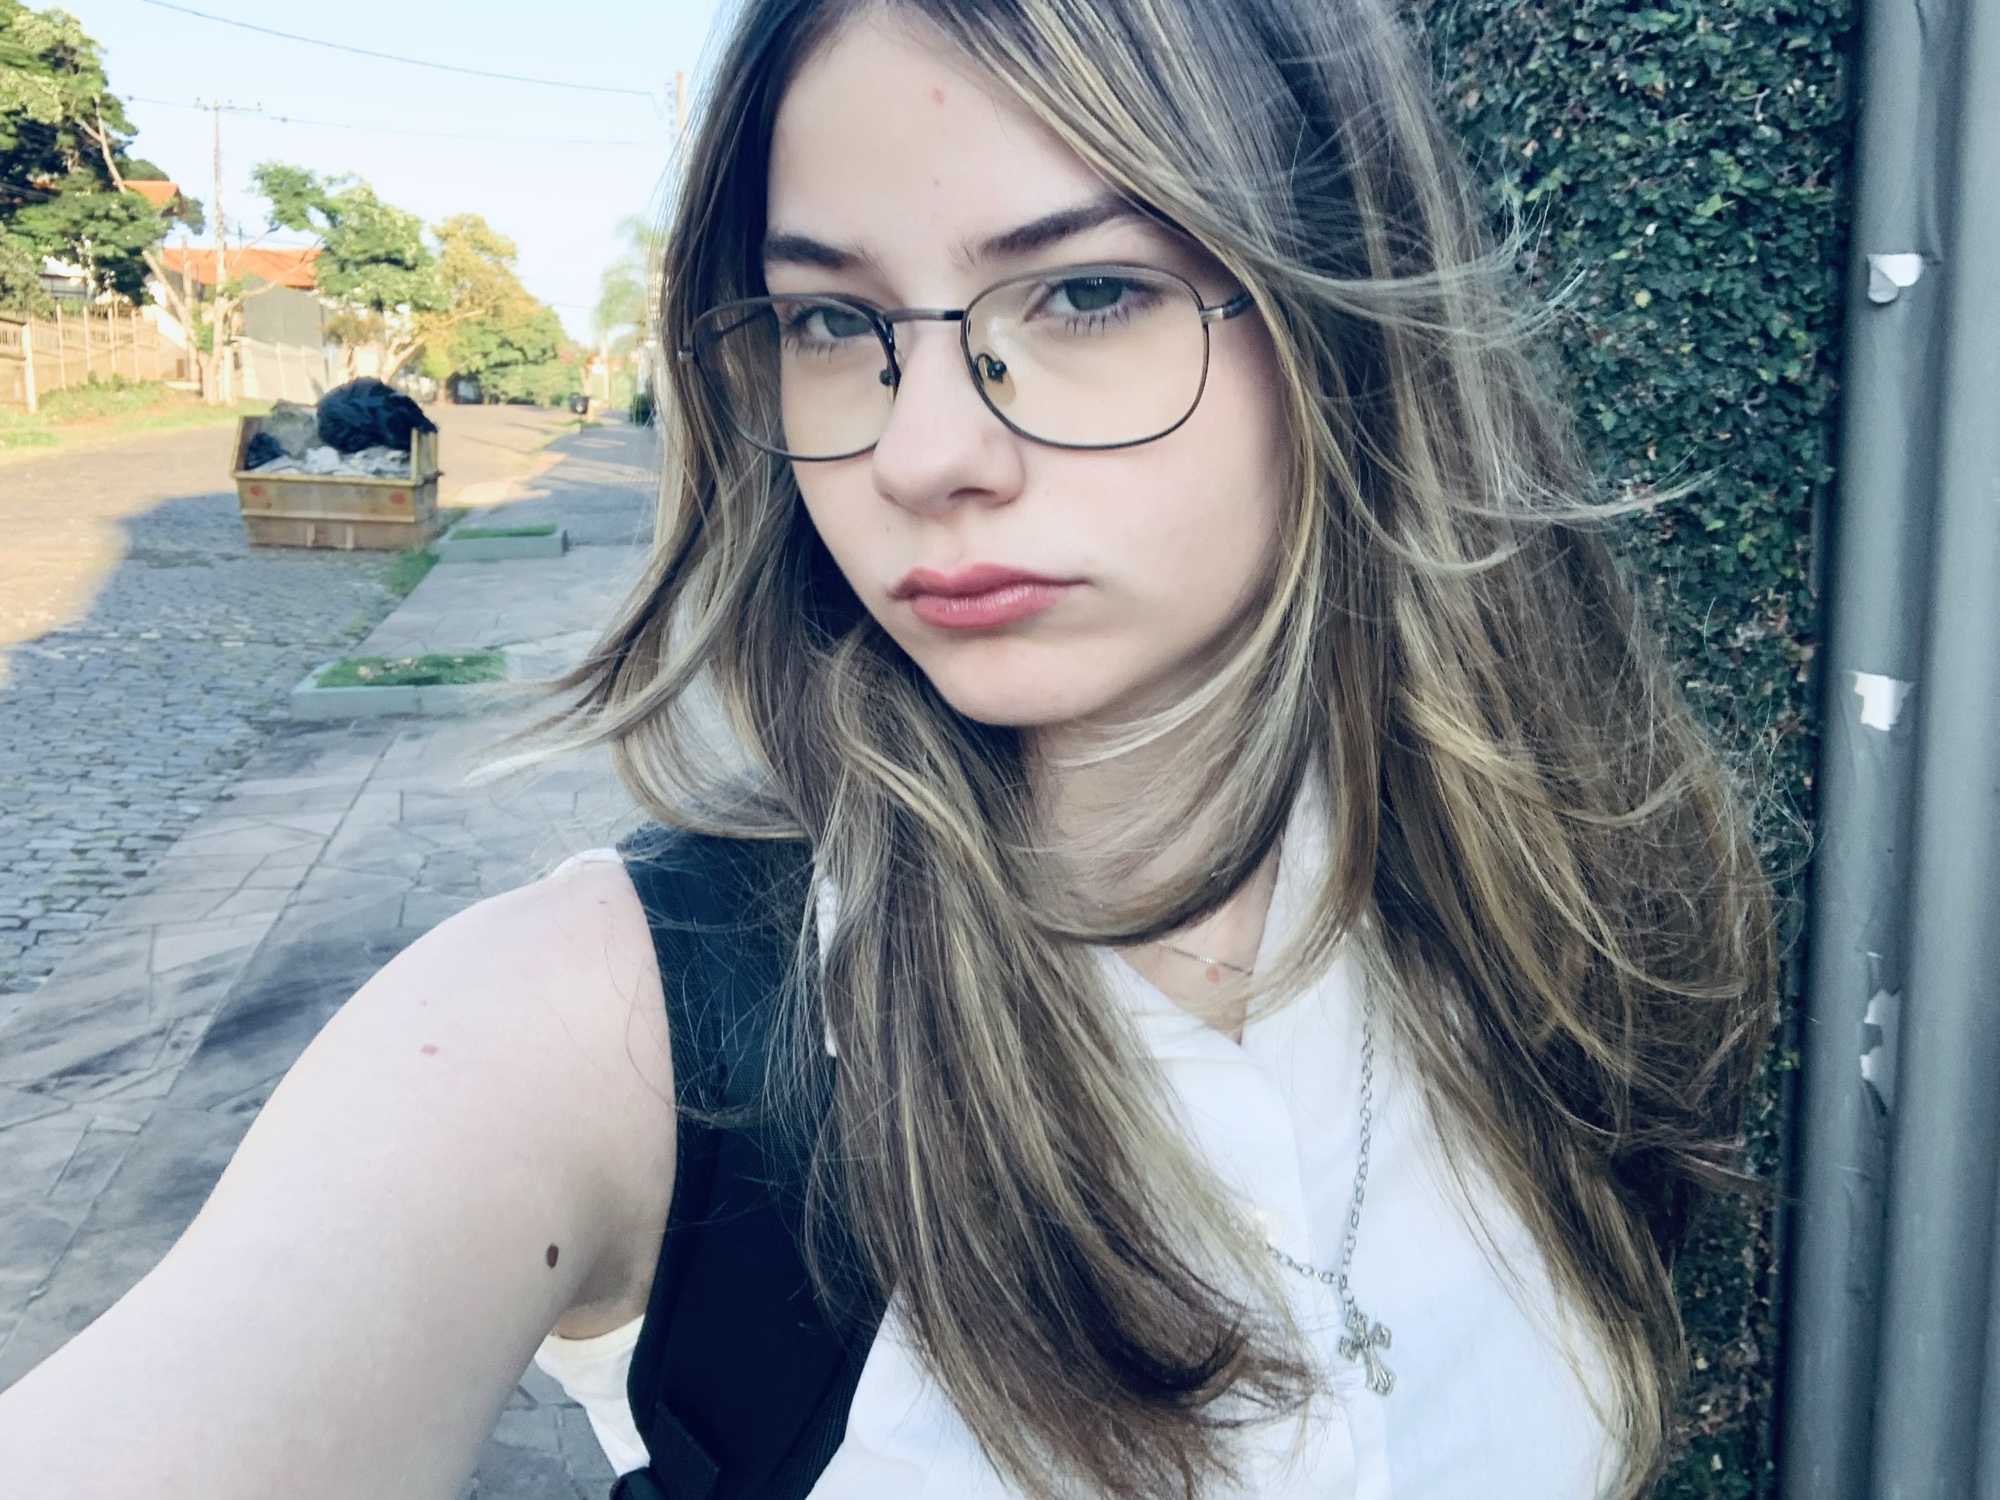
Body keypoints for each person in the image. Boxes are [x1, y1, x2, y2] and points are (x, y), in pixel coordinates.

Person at [0, 1, 1774, 1497]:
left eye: (1085, 294)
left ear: (1348, 322)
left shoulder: (1558, 928)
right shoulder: (608, 1032)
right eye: (836, 324)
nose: (925, 454)